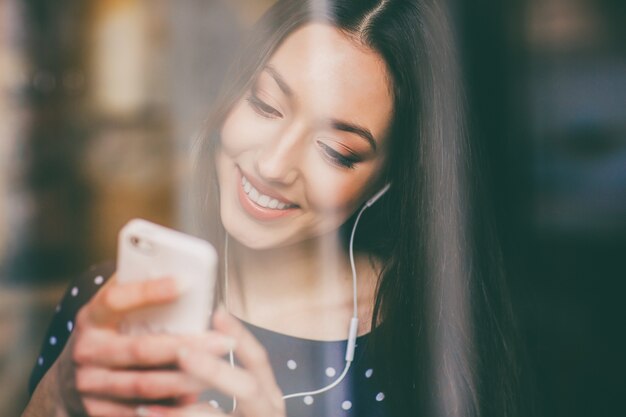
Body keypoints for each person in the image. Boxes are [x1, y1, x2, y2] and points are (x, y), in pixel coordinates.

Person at [23, 1, 524, 416]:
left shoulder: (425, 335)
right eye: (264, 104)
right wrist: (59, 400)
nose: (273, 163)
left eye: (336, 151)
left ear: (389, 180)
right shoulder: (109, 309)